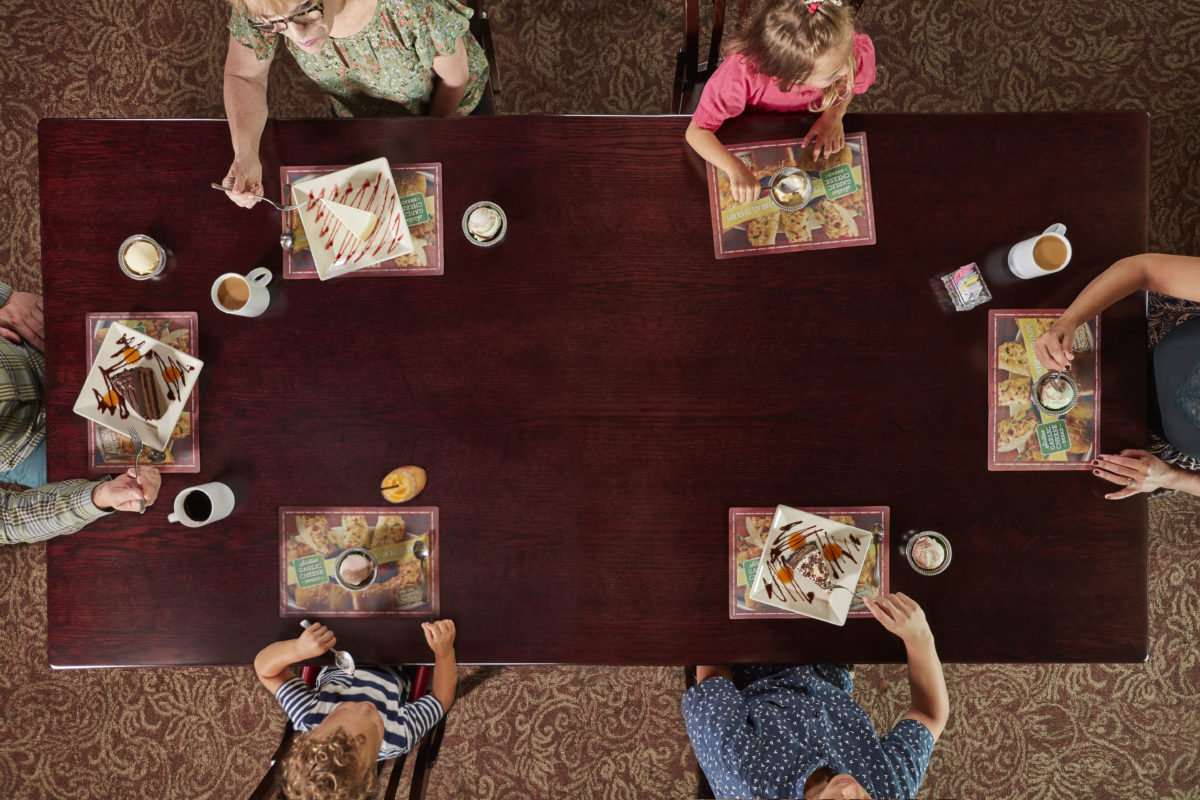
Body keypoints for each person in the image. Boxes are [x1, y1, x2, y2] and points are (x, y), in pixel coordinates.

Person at [221, 0, 490, 208]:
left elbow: (455, 80)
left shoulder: (411, 6)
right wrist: (245, 154)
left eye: (304, 11)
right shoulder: (264, 5)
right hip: (357, 120)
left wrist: (422, 156)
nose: (297, 36)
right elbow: (245, 76)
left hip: (447, 113)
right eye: (273, 23)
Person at [682, 593, 949, 800]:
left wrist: (734, 603)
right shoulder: (888, 791)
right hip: (830, 663)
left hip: (748, 656)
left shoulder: (744, 776)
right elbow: (929, 715)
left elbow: (714, 674)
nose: (851, 791)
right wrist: (920, 638)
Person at [0, 283, 160, 544]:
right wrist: (97, 497)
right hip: (24, 449)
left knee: (152, 322)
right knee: (138, 478)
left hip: (27, 350)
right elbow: (7, 520)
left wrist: (5, 299)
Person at [1034, 253, 1200, 500]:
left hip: (1148, 447)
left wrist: (1169, 478)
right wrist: (1068, 322)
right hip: (1139, 336)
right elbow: (1143, 270)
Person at [684, 0, 876, 204]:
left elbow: (851, 85)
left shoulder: (842, 51)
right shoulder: (739, 76)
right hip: (749, 126)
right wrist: (735, 167)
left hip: (804, 124)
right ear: (792, 77)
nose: (847, 70)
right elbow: (696, 132)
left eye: (847, 58)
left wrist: (834, 114)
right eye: (833, 74)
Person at [254, 619, 457, 800]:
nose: (365, 708)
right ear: (371, 770)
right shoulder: (399, 736)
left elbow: (266, 671)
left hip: (342, 640)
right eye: (375, 726)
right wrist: (444, 652)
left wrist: (298, 649)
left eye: (343, 710)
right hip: (399, 656)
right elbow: (441, 699)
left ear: (315, 729)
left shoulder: (310, 715)